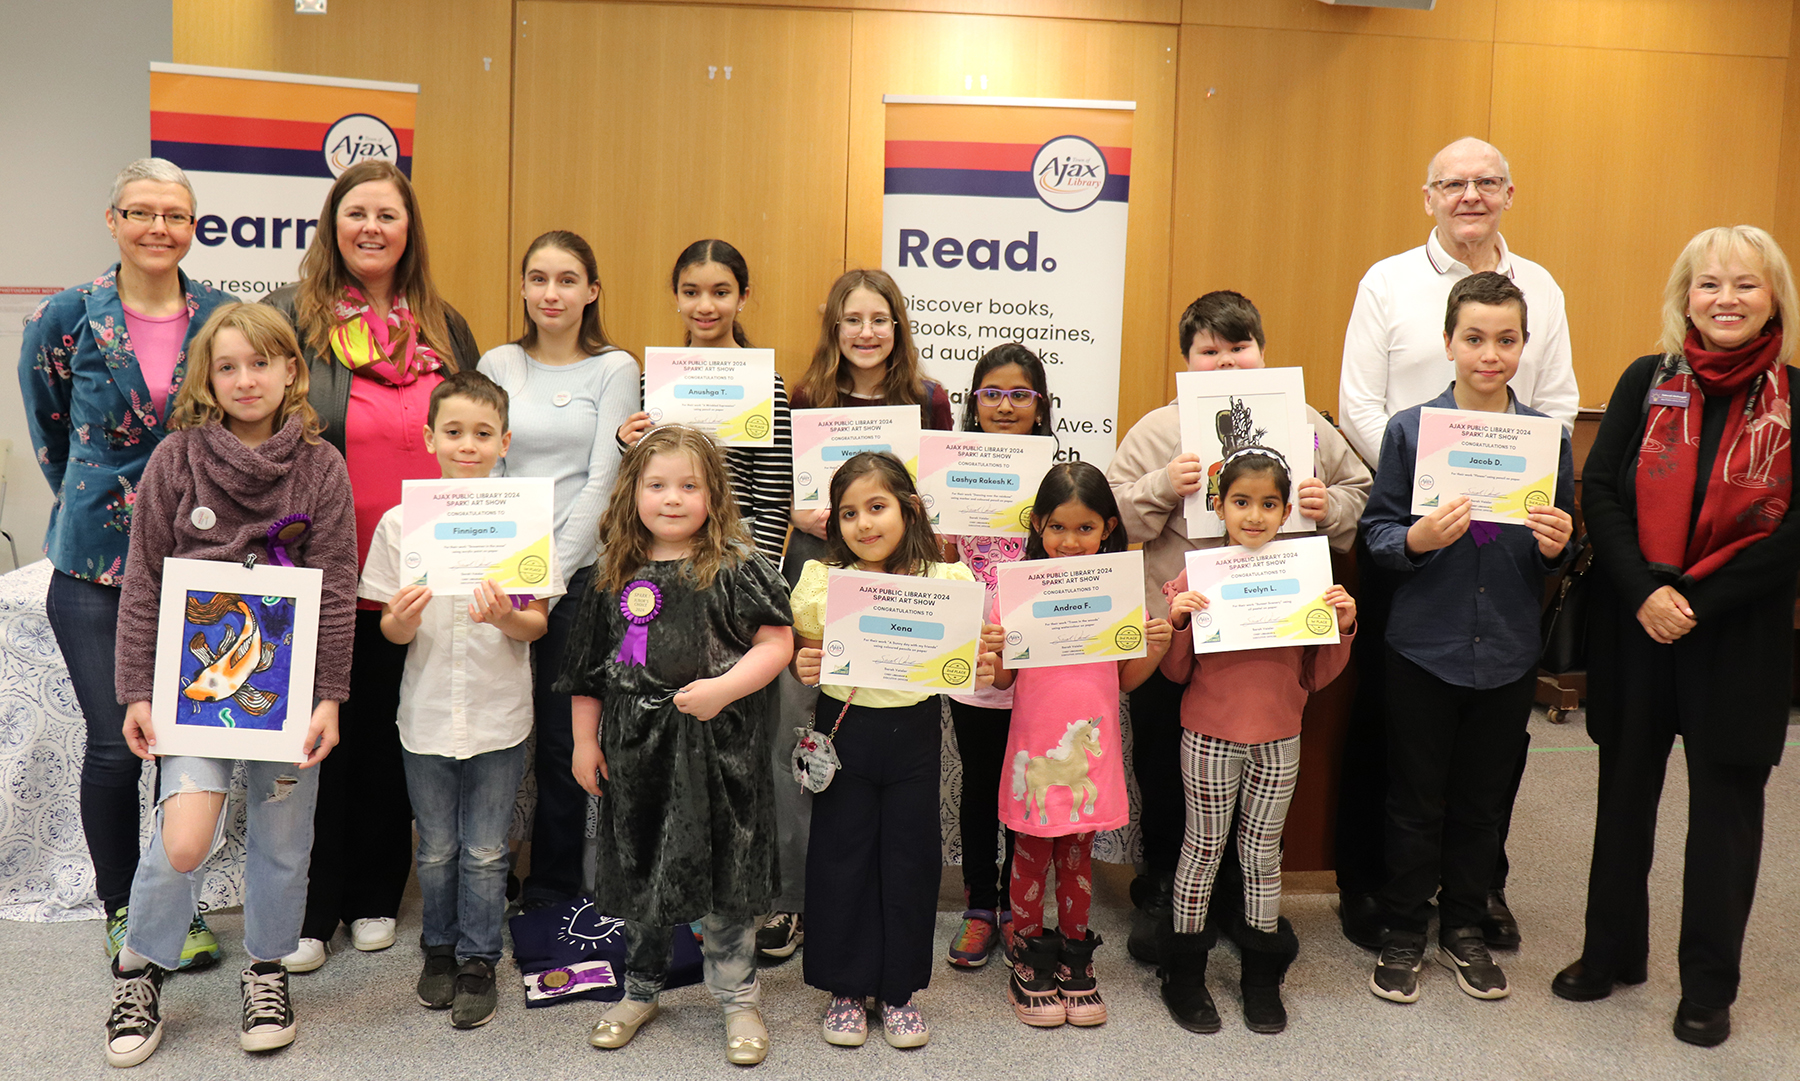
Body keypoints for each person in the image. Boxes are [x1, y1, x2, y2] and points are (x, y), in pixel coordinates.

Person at [1554, 226, 1800, 1048]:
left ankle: (1708, 986)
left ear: (1775, 299)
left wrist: (1695, 597)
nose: (1725, 299)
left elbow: (1793, 530)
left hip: (1739, 634)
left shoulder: (1796, 397)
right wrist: (1647, 591)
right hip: (1639, 626)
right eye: (1708, 284)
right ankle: (1610, 952)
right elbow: (1601, 487)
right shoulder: (1643, 379)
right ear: (1684, 296)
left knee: (1726, 815)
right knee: (1625, 792)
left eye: (1745, 285)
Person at [1334, 137, 1577, 952]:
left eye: (1485, 183)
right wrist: (1426, 474)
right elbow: (1358, 401)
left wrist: (1529, 487)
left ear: (1509, 191)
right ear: (1428, 194)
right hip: (1415, 519)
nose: (1469, 195)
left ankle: (1477, 893)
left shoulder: (1539, 285)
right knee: (1400, 737)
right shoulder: (1388, 280)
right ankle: (1385, 895)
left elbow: (1559, 401)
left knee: (1486, 756)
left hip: (1508, 544)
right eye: (1453, 183)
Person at [104, 303, 356, 1066]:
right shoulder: (177, 460)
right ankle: (139, 967)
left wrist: (329, 697)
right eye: (228, 365)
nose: (246, 379)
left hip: (288, 689)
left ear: (291, 371)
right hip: (192, 688)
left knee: (283, 839)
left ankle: (268, 968)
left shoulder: (321, 467)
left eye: (261, 362)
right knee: (183, 841)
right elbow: (144, 582)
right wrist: (138, 691)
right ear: (208, 379)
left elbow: (337, 585)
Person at [1106, 291, 1370, 962]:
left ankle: (1243, 894)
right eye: (1209, 351)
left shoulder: (1305, 422)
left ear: (1262, 349)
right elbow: (1103, 524)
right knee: (1168, 770)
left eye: (1239, 346)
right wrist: (1161, 485)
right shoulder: (1160, 432)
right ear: (1187, 362)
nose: (1226, 362)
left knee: (1262, 778)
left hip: (1274, 640)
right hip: (1181, 639)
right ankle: (1166, 886)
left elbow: (1365, 497)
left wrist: (1328, 501)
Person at [18, 157, 236, 970]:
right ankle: (121, 910)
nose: (157, 227)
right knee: (116, 745)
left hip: (199, 561)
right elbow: (49, 430)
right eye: (141, 212)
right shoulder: (67, 315)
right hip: (94, 568)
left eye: (174, 215)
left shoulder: (220, 315)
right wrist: (105, 504)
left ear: (192, 227)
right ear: (112, 220)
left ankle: (170, 908)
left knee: (182, 743)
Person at [265, 159, 481, 969]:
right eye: (356, 213)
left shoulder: (444, 324)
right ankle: (313, 905)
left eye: (388, 215)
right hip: (319, 563)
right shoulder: (291, 317)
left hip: (418, 575)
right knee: (322, 740)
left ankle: (376, 892)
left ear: (407, 228)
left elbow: (471, 434)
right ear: (332, 222)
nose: (372, 228)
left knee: (397, 732)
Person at [1358, 272, 1574, 1005]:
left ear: (1524, 344)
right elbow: (1377, 532)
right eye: (1475, 338)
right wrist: (1414, 538)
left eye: (1506, 339)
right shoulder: (1412, 431)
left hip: (1508, 648)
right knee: (1414, 799)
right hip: (1424, 645)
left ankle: (1466, 928)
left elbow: (1565, 547)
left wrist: (1558, 546)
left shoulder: (1548, 440)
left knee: (1484, 802)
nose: (1490, 353)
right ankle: (1401, 931)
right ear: (1447, 343)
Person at [555, 424, 794, 1066]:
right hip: (638, 753)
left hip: (719, 755)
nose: (672, 498)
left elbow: (777, 643)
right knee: (641, 868)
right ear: (633, 492)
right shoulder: (614, 576)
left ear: (714, 495)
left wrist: (722, 688)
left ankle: (739, 997)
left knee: (724, 870)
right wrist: (585, 741)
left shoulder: (738, 568)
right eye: (657, 485)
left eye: (690, 485)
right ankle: (641, 988)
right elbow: (588, 673)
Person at [760, 268, 954, 963]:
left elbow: (937, 499)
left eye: (879, 319)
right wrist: (797, 510)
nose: (865, 333)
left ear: (897, 326)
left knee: (877, 733)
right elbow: (768, 481)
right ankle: (794, 899)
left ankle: (872, 904)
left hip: (896, 585)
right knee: (800, 737)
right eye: (852, 320)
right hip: (820, 569)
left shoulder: (929, 400)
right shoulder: (803, 393)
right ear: (833, 327)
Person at [359, 371, 558, 1030]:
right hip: (425, 716)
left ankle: (478, 957)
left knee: (486, 850)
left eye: (481, 433)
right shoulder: (401, 523)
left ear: (504, 441)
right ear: (429, 437)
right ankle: (437, 949)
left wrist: (507, 615)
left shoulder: (523, 521)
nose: (467, 445)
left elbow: (537, 625)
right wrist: (404, 618)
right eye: (453, 431)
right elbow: (389, 628)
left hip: (498, 713)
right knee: (438, 846)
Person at [790, 452, 994, 1049]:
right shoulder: (823, 581)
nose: (864, 524)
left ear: (908, 510)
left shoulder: (946, 580)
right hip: (845, 732)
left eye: (876, 507)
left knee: (909, 859)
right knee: (840, 856)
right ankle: (847, 988)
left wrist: (986, 658)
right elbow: (810, 656)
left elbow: (979, 666)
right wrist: (806, 662)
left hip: (914, 735)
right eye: (848, 513)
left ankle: (900, 990)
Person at [1157, 449, 1357, 1036]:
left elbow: (1318, 674)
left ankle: (1261, 977)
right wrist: (1178, 623)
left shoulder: (1306, 571)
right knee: (1202, 849)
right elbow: (1174, 674)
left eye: (1269, 504)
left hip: (1280, 735)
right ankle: (1186, 975)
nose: (1254, 515)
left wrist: (1341, 624)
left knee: (1263, 855)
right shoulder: (1198, 573)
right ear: (1217, 506)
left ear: (1287, 509)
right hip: (1210, 735)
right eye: (1241, 502)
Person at [477, 230, 639, 911]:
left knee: (562, 736)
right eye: (538, 278)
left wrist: (547, 574)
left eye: (568, 279)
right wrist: (514, 567)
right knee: (488, 732)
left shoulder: (615, 368)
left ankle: (553, 887)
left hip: (578, 581)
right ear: (521, 287)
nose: (552, 292)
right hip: (498, 573)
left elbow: (604, 483)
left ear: (592, 291)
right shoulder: (498, 361)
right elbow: (485, 462)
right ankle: (481, 881)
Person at [989, 462, 1172, 1028]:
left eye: (1086, 529)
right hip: (1037, 755)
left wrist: (1157, 646)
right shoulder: (1013, 590)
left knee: (1077, 857)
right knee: (1029, 854)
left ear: (1109, 528)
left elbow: (1124, 681)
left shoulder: (1119, 592)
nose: (1071, 543)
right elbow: (1001, 682)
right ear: (1039, 525)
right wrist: (995, 651)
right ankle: (1027, 952)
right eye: (1058, 529)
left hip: (1088, 761)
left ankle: (1074, 956)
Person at [942, 343, 1058, 969]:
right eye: (992, 394)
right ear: (974, 403)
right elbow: (935, 561)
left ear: (1040, 407)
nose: (1005, 405)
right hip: (971, 658)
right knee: (983, 783)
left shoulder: (1056, 480)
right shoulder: (951, 473)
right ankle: (982, 907)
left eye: (1020, 394)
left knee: (1028, 783)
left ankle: (1022, 904)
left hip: (1038, 661)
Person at [614, 239, 793, 565]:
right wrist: (626, 446)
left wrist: (759, 577)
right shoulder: (653, 382)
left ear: (743, 297)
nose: (705, 306)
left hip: (736, 550)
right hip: (662, 546)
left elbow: (773, 499)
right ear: (676, 296)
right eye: (691, 292)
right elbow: (639, 482)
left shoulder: (764, 382)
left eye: (721, 293)